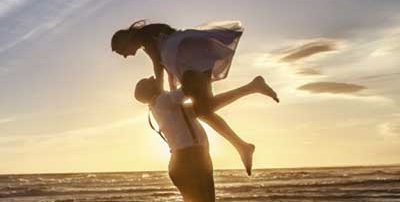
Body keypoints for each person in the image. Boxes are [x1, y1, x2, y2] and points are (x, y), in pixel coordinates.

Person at [112, 20, 278, 175]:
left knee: (203, 109)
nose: (126, 56)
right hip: (190, 58)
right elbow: (165, 65)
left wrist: (161, 91)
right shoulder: (149, 38)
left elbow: (158, 65)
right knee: (203, 110)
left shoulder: (144, 37)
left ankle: (251, 94)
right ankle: (242, 145)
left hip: (189, 59)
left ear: (124, 41)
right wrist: (169, 90)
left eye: (121, 52)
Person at [134, 76, 216, 202]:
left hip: (196, 159)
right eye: (151, 79)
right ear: (150, 90)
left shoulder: (166, 102)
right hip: (189, 162)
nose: (155, 77)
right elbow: (189, 87)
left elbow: (189, 98)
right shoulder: (162, 101)